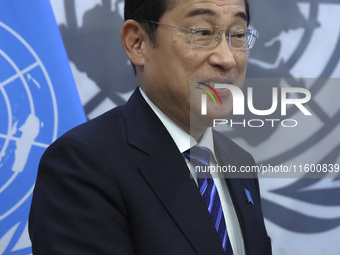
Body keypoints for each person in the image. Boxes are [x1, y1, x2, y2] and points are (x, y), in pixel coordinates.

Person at [29, 0, 272, 254]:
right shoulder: (81, 165)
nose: (227, 58)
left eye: (239, 34)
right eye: (202, 32)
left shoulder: (238, 160)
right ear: (137, 43)